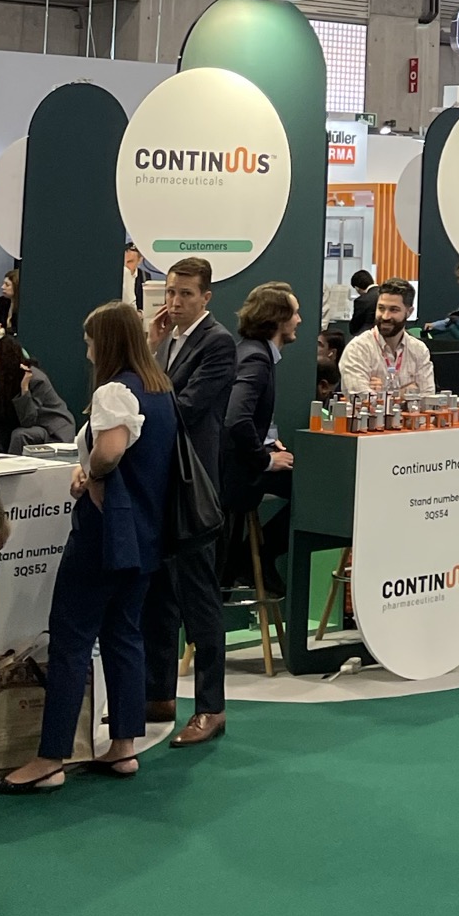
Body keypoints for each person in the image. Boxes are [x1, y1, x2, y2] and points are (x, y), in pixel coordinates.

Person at [0, 302, 177, 795]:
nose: (87, 350)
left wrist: (91, 474)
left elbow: (112, 450)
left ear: (107, 343)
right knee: (124, 635)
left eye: (90, 340)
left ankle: (51, 756)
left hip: (104, 533)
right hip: (145, 533)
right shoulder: (159, 389)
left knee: (71, 639)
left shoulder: (113, 392)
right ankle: (123, 746)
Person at [141, 256, 233, 749]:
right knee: (159, 595)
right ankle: (158, 694)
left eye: (185, 294)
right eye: (171, 293)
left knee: (199, 600)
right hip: (162, 482)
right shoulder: (168, 341)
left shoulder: (217, 342)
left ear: (206, 297)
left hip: (194, 488)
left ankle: (211, 707)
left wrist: (135, 402)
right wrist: (150, 349)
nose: (175, 302)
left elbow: (185, 407)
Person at [221, 282, 297, 574]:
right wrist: (265, 459)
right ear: (278, 319)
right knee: (311, 490)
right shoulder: (256, 359)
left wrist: (266, 442)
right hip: (237, 474)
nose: (299, 320)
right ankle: (254, 561)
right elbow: (236, 418)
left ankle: (250, 561)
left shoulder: (250, 351)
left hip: (235, 464)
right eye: (294, 313)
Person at [0, 334, 74, 453]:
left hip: (51, 430)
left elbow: (27, 421)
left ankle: (13, 465)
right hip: (22, 426)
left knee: (20, 435)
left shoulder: (35, 379)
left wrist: (24, 389)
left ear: (4, 361)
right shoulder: (1, 379)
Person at [339, 281, 434, 397]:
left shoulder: (419, 350)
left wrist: (381, 393)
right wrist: (406, 392)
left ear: (409, 312)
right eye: (381, 308)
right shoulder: (357, 349)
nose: (385, 316)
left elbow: (428, 397)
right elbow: (360, 399)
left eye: (394, 310)